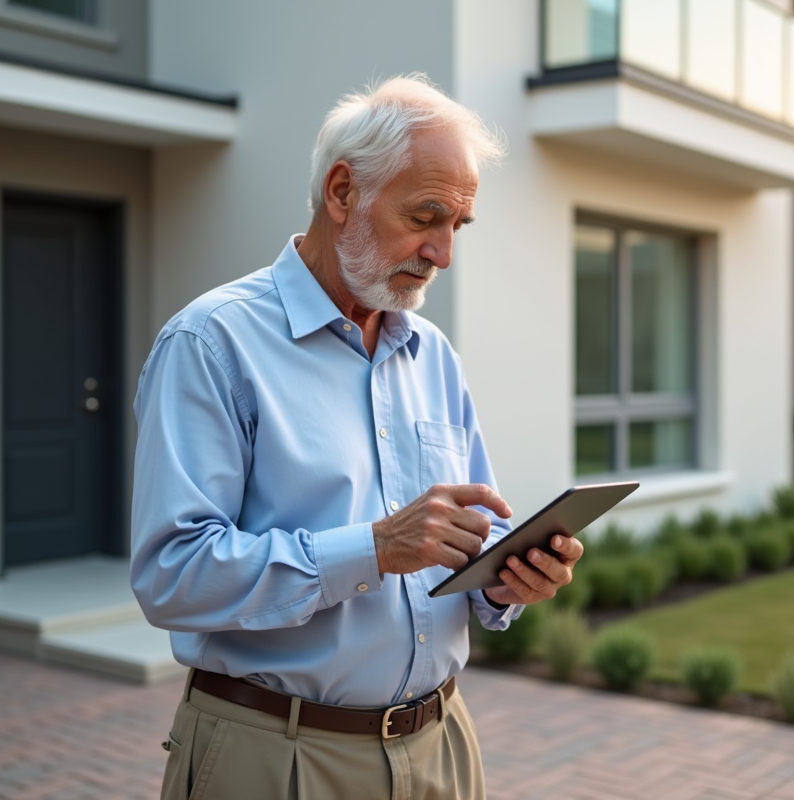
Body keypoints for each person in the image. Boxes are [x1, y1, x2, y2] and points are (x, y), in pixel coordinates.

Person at [130, 74, 584, 800]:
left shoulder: (432, 353)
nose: (442, 253)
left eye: (457, 226)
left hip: (441, 749)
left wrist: (506, 581)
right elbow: (171, 577)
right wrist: (372, 549)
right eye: (425, 217)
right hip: (279, 759)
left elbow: (465, 543)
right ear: (342, 192)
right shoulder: (212, 344)